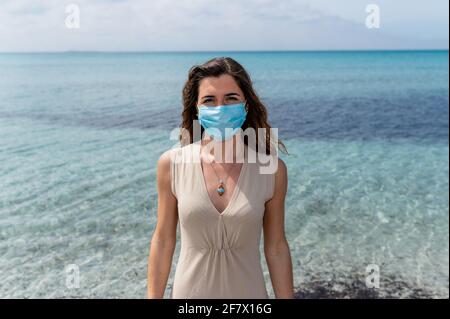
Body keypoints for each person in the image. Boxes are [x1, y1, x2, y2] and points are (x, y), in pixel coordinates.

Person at [147, 57, 294, 299]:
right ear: (197, 107)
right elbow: (163, 240)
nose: (221, 108)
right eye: (209, 100)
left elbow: (276, 247)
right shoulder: (171, 164)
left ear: (246, 104)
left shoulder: (272, 170)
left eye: (231, 99)